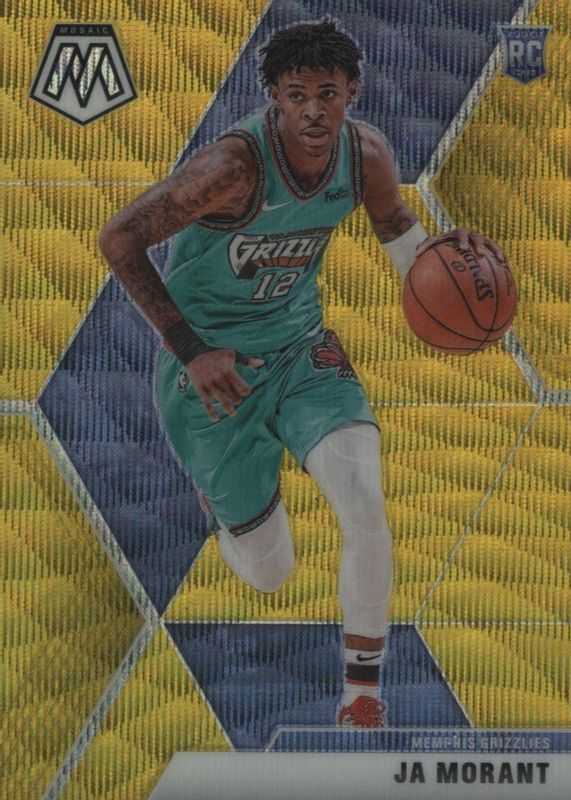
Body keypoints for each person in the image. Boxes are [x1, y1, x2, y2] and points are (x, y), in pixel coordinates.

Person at [99, 20, 505, 727]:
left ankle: (361, 693)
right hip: (215, 371)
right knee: (269, 573)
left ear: (352, 92)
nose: (314, 110)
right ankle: (224, 501)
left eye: (327, 93)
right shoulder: (231, 169)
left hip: (301, 350)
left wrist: (453, 264)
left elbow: (399, 236)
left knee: (365, 505)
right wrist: (189, 349)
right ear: (275, 99)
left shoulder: (365, 155)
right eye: (297, 96)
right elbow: (118, 238)